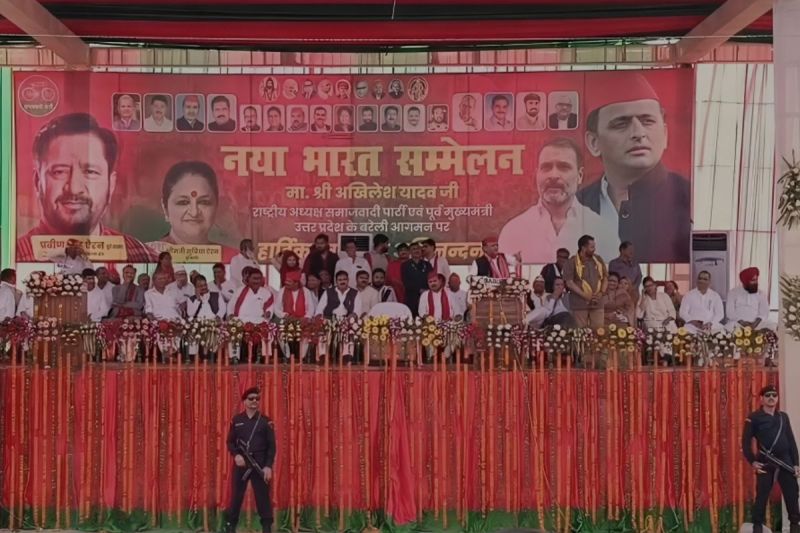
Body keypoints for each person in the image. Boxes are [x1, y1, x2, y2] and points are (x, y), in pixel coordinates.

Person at [578, 72, 691, 263]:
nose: (639, 133)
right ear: (594, 142)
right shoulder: (577, 204)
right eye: (621, 124)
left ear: (665, 134)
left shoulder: (688, 198)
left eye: (648, 121)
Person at [16, 113, 157, 262]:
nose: (74, 188)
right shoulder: (13, 257)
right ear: (37, 181)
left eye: (90, 172)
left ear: (111, 184)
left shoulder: (144, 258)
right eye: (59, 172)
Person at [499, 138, 618, 264]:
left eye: (564, 167)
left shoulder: (602, 230)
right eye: (546, 167)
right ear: (537, 174)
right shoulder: (513, 231)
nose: (553, 175)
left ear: (580, 176)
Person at [741, 385, 800, 533]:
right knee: (761, 497)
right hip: (765, 462)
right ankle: (757, 527)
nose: (771, 398)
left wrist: (796, 463)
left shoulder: (783, 417)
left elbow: (791, 441)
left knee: (792, 496)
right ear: (761, 399)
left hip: (786, 461)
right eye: (768, 395)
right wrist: (752, 461)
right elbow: (745, 443)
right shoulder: (753, 417)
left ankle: (794, 527)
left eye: (774, 395)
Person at [225, 386, 276, 533]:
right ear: (244, 401)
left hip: (259, 463)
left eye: (257, 399)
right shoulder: (237, 420)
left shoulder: (266, 421)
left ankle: (266, 526)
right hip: (242, 463)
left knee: (263, 497)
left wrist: (268, 466)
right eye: (251, 398)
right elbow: (230, 442)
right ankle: (231, 525)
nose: (254, 401)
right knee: (236, 496)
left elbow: (272, 446)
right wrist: (236, 455)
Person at [562, 234, 608, 328]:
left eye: (594, 247)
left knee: (599, 331)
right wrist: (585, 296)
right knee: (581, 331)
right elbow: (569, 283)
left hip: (597, 302)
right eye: (592, 247)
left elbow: (605, 278)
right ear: (583, 248)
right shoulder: (571, 262)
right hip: (580, 303)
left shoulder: (598, 259)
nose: (594, 249)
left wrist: (601, 293)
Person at [274, 270, 314, 360]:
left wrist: (306, 317)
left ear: (296, 283)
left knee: (307, 332)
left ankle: (302, 357)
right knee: (280, 332)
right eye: (286, 281)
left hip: (302, 319)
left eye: (289, 282)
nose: (286, 283)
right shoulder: (282, 290)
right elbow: (276, 308)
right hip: (288, 318)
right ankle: (287, 356)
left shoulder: (306, 291)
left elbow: (311, 308)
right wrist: (285, 315)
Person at [726, 267, 774, 332]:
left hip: (757, 323)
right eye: (753, 280)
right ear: (745, 282)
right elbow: (730, 312)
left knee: (772, 325)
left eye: (756, 279)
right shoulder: (733, 293)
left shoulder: (761, 294)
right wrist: (742, 322)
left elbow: (764, 313)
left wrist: (755, 323)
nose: (756, 282)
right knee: (728, 327)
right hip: (738, 323)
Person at [401, 242, 433, 317]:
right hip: (411, 297)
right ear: (410, 252)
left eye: (418, 248)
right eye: (414, 249)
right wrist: (419, 290)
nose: (416, 250)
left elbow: (431, 278)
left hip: (426, 295)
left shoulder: (427, 264)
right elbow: (406, 282)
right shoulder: (405, 265)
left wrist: (427, 290)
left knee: (426, 318)